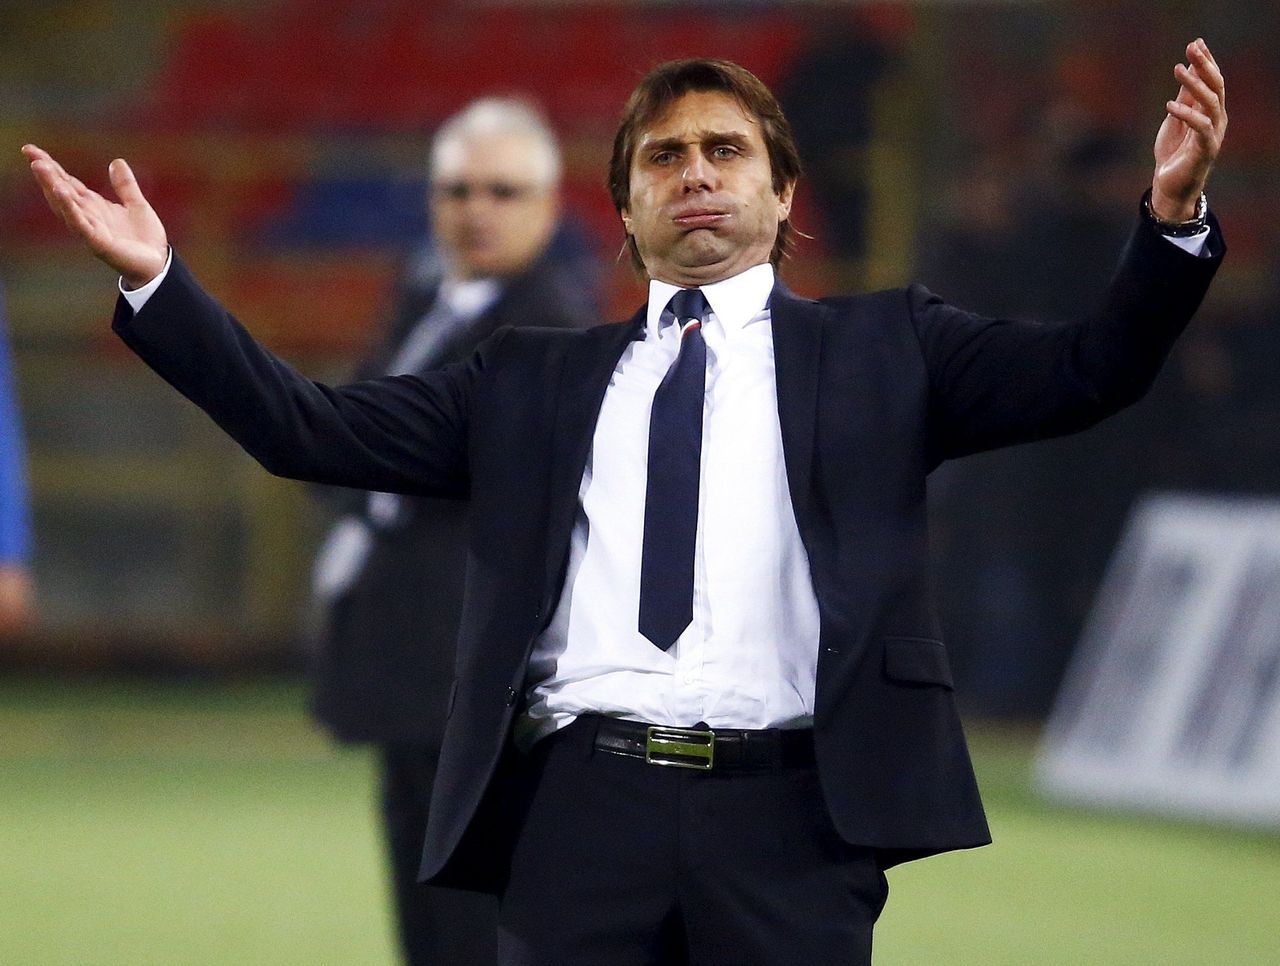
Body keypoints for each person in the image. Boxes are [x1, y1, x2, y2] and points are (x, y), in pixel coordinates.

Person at [23, 37, 1227, 966]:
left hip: (790, 822)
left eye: (725, 151)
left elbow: (1088, 370)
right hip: (578, 814)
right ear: (624, 208)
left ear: (783, 193)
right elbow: (307, 429)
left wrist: (1169, 224)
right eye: (662, 156)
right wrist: (163, 284)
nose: (693, 173)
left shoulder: (887, 348)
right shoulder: (529, 378)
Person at [306, 98, 597, 965]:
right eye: (458, 189)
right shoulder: (424, 295)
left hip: (475, 667)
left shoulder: (548, 327)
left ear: (549, 207)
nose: (477, 210)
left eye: (504, 191)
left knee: (471, 915)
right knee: (423, 900)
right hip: (413, 664)